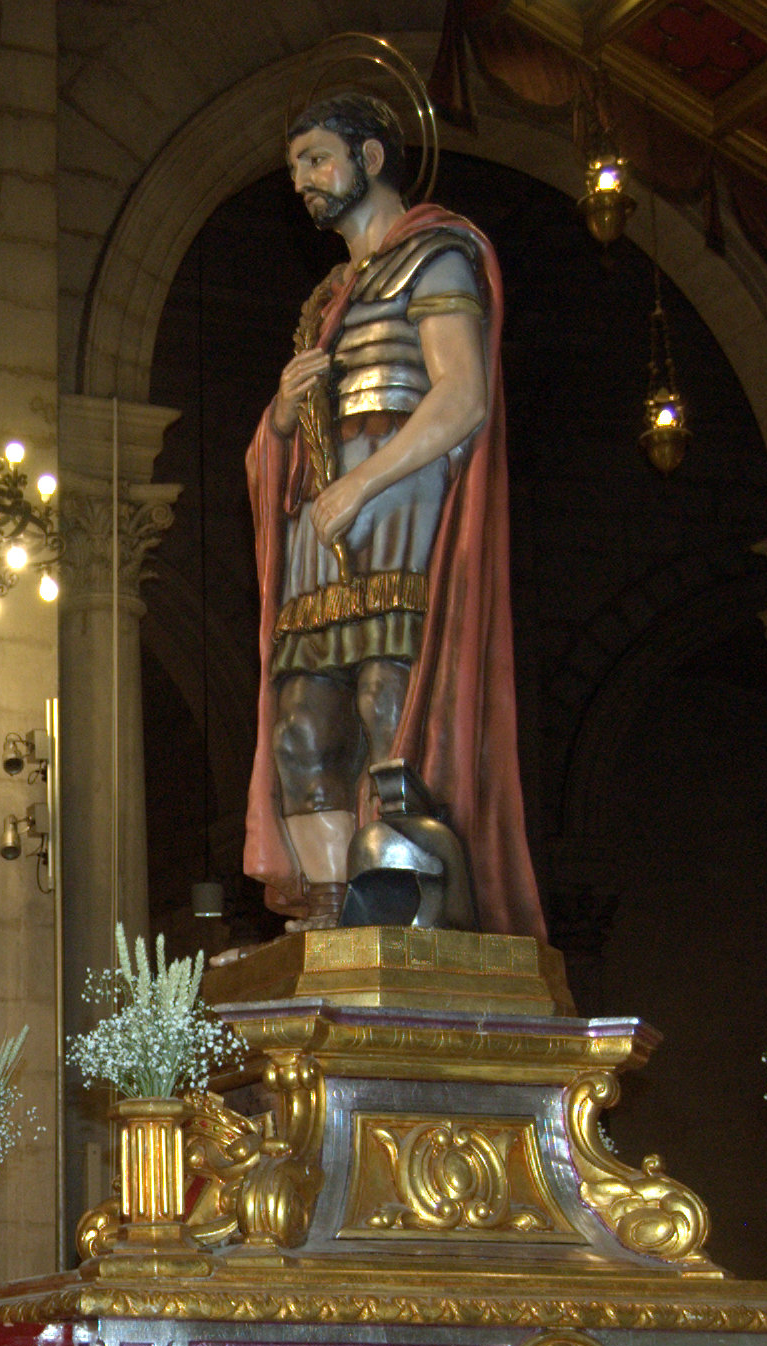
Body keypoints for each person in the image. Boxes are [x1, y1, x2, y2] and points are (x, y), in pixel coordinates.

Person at [243, 90, 543, 938]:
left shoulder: (435, 256)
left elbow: (462, 395)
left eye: (316, 158)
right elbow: (279, 441)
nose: (302, 179)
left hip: (400, 509)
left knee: (391, 709)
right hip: (322, 519)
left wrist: (364, 483)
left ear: (370, 158)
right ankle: (331, 916)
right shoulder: (326, 300)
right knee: (301, 727)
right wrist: (280, 414)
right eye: (295, 166)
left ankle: (405, 913)